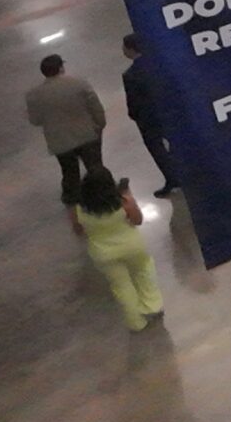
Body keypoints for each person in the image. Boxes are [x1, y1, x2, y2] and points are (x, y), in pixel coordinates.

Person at [68, 171, 162, 331]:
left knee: (121, 286)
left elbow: (79, 231)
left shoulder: (79, 210)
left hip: (103, 253)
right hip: (132, 246)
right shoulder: (124, 202)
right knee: (144, 270)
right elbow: (138, 220)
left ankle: (136, 323)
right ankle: (152, 306)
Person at [26, 54, 108, 205]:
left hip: (60, 141)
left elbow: (35, 120)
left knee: (69, 172)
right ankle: (103, 196)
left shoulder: (33, 95)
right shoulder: (79, 84)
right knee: (95, 167)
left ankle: (73, 201)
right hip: (87, 135)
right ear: (61, 68)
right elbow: (95, 107)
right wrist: (100, 124)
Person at [119, 34, 177, 197]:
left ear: (130, 49)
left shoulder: (130, 75)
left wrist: (134, 115)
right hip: (169, 112)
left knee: (157, 149)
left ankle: (172, 178)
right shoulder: (160, 64)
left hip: (148, 118)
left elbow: (133, 101)